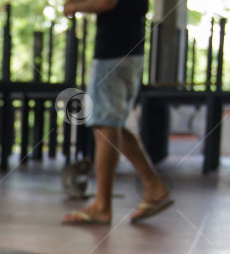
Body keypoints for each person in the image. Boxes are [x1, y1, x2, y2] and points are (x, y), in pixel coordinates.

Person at [62, 0, 172, 225]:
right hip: (131, 52)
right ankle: (154, 187)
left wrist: (75, 6)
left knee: (104, 126)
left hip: (112, 54)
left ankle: (102, 206)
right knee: (114, 125)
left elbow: (106, 2)